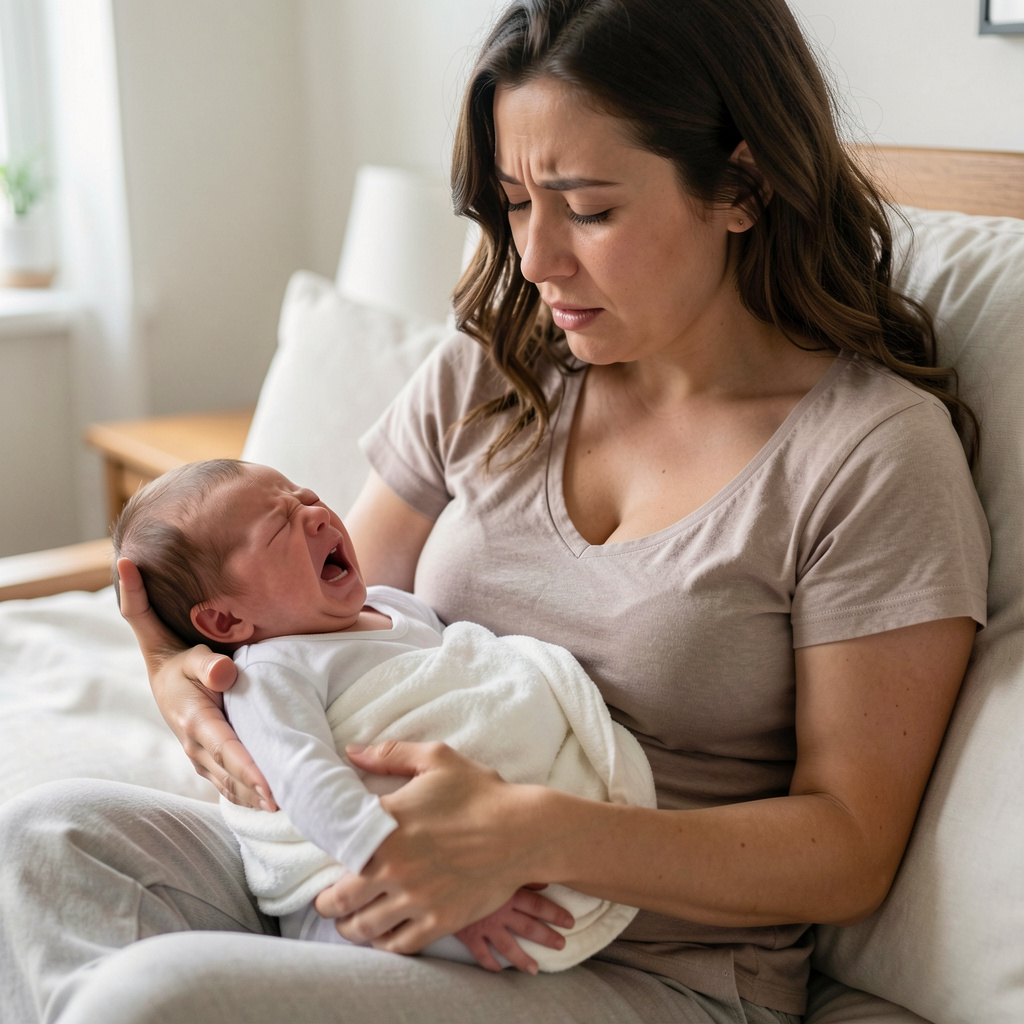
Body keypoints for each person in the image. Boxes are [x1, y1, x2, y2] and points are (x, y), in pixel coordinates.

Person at [0, 1, 990, 1022]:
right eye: (515, 203)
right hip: (362, 876)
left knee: (156, 999)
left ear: (740, 184)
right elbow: (319, 620)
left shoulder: (868, 454)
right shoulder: (494, 367)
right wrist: (178, 676)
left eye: (588, 209)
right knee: (46, 840)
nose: (536, 259)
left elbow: (850, 847)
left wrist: (533, 834)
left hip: (630, 958)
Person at [109, 457, 654, 975]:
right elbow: (300, 779)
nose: (316, 514)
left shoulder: (393, 605)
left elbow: (460, 677)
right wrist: (403, 863)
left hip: (470, 825)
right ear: (226, 620)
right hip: (370, 885)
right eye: (280, 526)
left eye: (307, 498)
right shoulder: (268, 673)